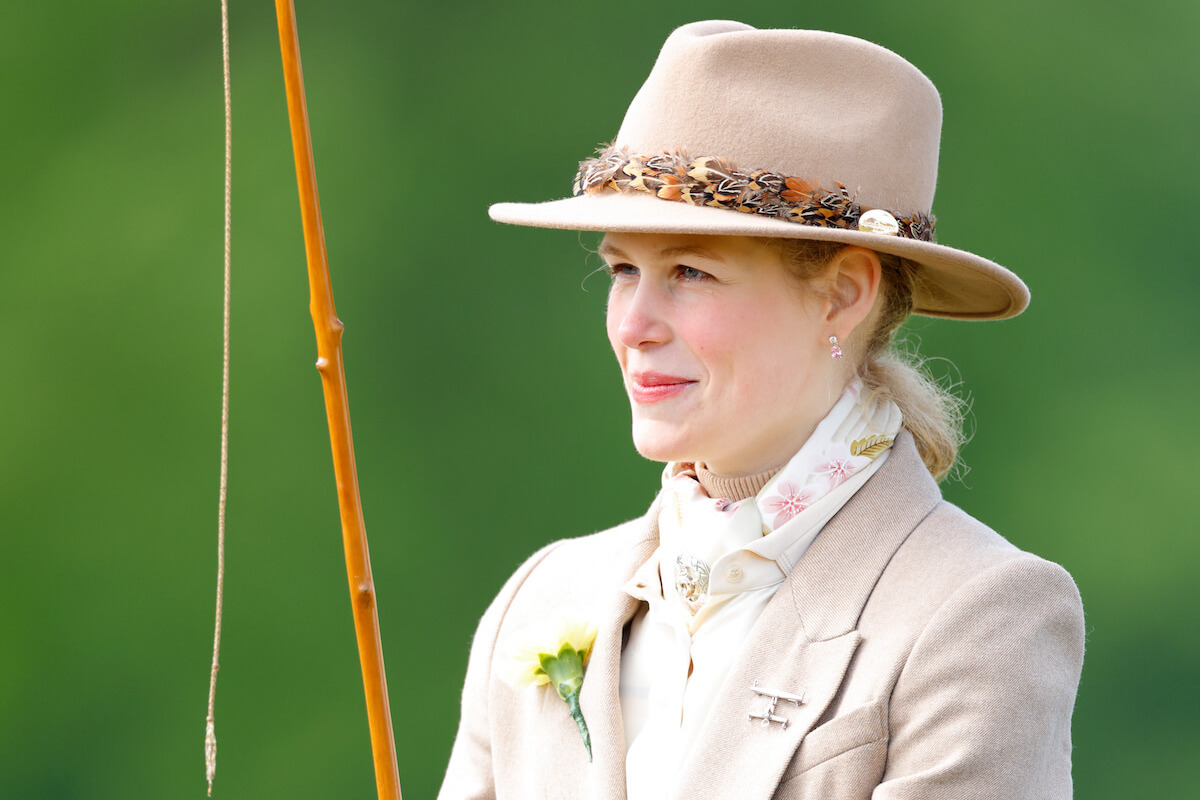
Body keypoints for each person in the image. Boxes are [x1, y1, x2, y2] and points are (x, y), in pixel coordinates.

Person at [439, 20, 1084, 800]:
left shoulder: (979, 614)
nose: (634, 325)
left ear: (842, 296)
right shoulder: (543, 596)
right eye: (620, 269)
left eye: (689, 272)